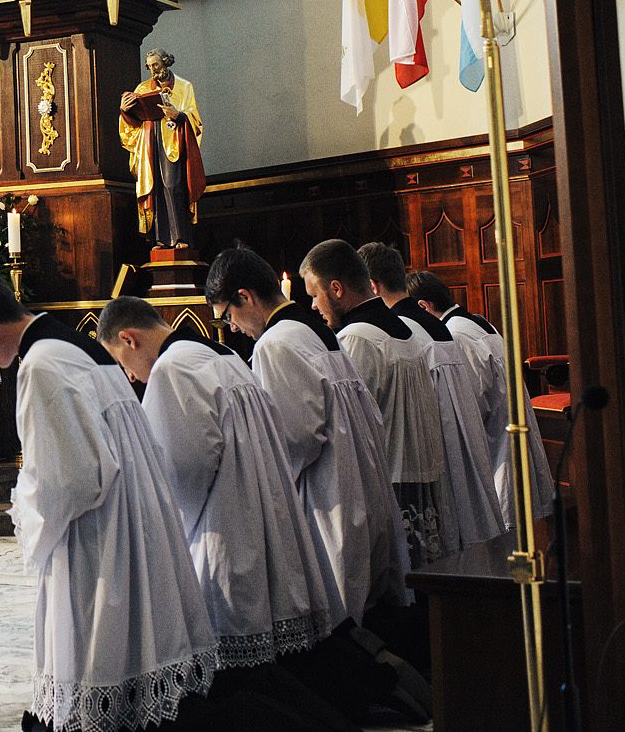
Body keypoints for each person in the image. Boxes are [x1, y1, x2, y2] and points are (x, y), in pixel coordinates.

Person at [0, 267, 218, 732]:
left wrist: (24, 510)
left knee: (95, 652)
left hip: (98, 534)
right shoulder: (74, 347)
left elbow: (70, 480)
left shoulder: (42, 364)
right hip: (132, 515)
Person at [101, 299, 336, 695]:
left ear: (129, 339)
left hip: (223, 529)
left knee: (238, 671)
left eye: (123, 363)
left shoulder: (172, 368)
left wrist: (166, 531)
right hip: (265, 510)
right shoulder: (222, 353)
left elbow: (184, 470)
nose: (132, 376)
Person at [206, 248, 409, 628]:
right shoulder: (315, 331)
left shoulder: (276, 343)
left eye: (227, 316)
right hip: (359, 489)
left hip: (328, 500)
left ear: (246, 297)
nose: (232, 328)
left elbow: (296, 439)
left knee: (340, 623)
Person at [299, 240, 450, 568]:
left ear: (336, 289)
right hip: (418, 477)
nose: (313, 306)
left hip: (388, 486)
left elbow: (347, 427)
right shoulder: (405, 329)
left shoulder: (357, 338)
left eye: (314, 295)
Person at [359, 243, 505, 553]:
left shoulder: (403, 330)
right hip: (459, 450)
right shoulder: (434, 325)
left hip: (429, 460)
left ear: (371, 285)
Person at [405, 270, 555, 530]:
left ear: (423, 306)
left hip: (495, 449)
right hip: (505, 441)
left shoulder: (456, 335)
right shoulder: (477, 323)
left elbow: (471, 405)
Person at [119, 50, 206, 254]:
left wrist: (178, 115)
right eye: (149, 66)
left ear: (165, 63)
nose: (152, 70)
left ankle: (180, 236)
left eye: (156, 65)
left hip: (174, 143)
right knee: (156, 187)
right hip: (150, 143)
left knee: (173, 186)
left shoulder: (184, 87)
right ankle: (159, 238)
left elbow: (195, 120)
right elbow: (132, 124)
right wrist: (125, 111)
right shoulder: (141, 89)